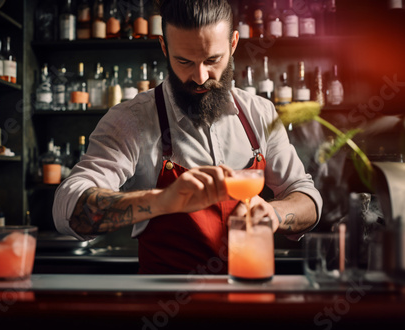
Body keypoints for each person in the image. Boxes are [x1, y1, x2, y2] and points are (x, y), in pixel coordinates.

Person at [53, 0, 322, 274]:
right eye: (184, 61)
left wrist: (273, 215)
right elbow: (68, 208)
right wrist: (160, 200)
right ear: (164, 47)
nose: (200, 76)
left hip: (250, 300)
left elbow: (306, 197)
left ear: (233, 44)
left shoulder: (260, 114)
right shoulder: (132, 120)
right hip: (166, 305)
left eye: (212, 60)